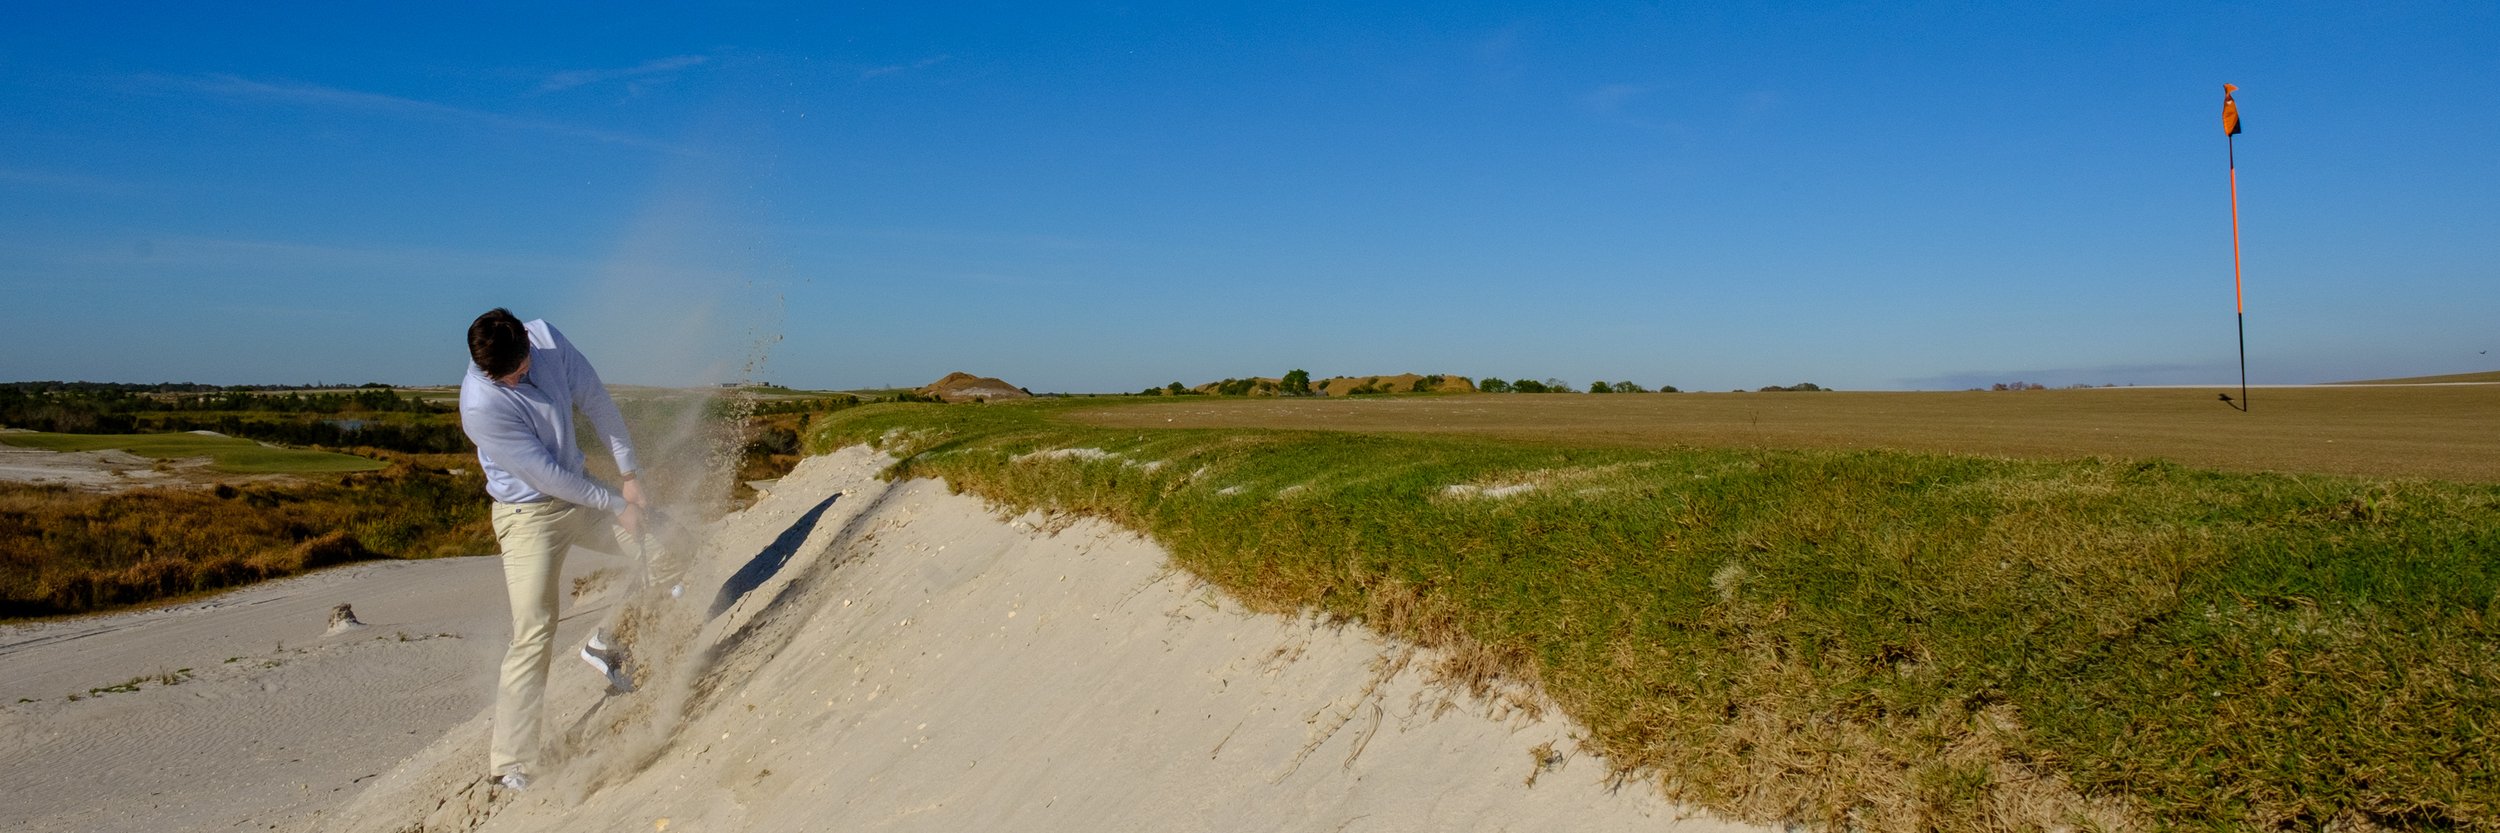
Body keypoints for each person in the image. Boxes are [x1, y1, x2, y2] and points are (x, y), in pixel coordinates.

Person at [458, 308, 676, 791]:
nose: (515, 383)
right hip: (528, 516)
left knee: (669, 549)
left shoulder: (548, 342)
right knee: (535, 628)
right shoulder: (480, 404)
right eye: (502, 378)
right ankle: (511, 763)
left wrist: (630, 475)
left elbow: (596, 401)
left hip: (582, 491)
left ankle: (609, 640)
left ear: (528, 349)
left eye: (518, 371)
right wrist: (616, 503)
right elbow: (543, 475)